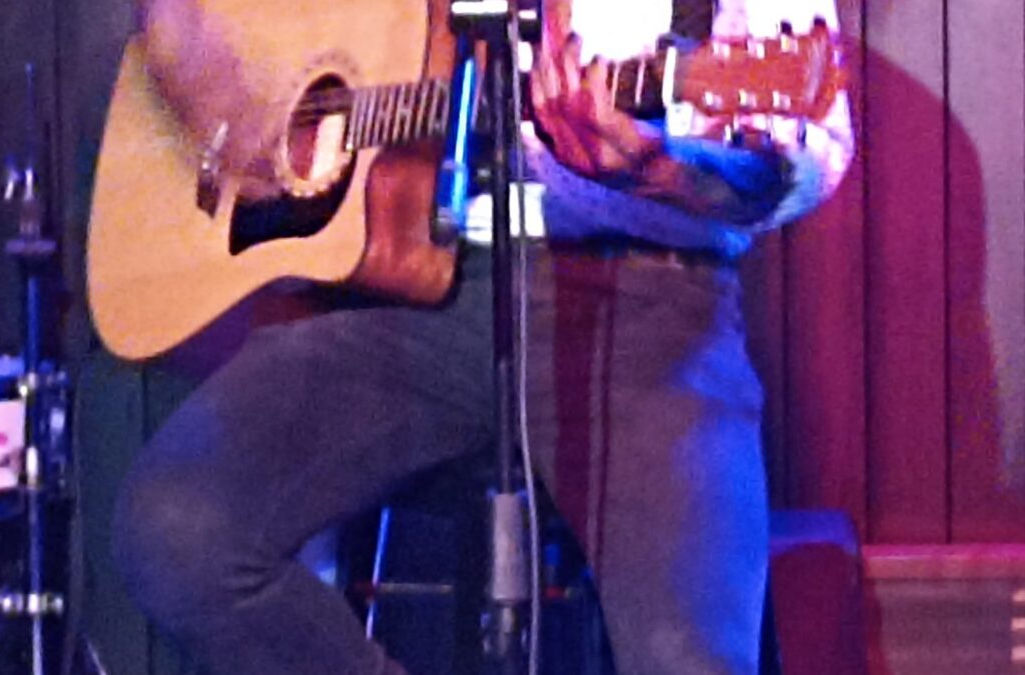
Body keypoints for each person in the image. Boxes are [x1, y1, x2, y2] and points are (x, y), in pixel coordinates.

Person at [111, 0, 854, 673]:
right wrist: (197, 52)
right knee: (177, 529)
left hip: (647, 308)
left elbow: (808, 153)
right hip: (407, 286)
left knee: (688, 659)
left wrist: (666, 169)